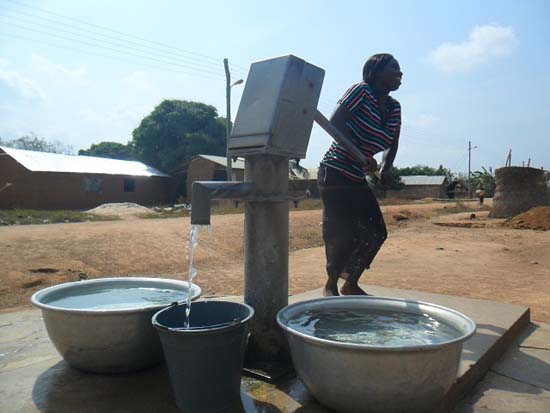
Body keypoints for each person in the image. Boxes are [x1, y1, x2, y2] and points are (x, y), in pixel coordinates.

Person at [318, 53, 402, 296]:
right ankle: (330, 284)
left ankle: (351, 282)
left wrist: (385, 169)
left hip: (356, 175)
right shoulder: (361, 92)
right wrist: (357, 154)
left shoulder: (394, 107)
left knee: (376, 230)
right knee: (341, 230)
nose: (400, 73)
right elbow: (334, 125)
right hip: (335, 171)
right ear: (375, 72)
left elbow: (392, 144)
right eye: (394, 68)